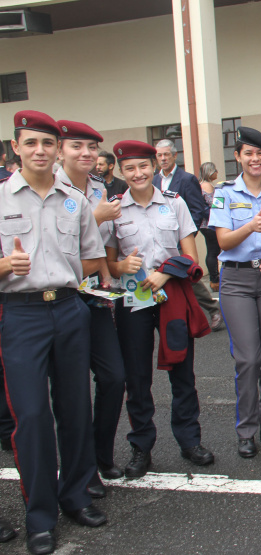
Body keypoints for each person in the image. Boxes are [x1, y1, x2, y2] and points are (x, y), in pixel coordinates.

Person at [0, 110, 108, 555]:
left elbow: (91, 258)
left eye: (47, 143)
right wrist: (5, 265)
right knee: (32, 417)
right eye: (31, 143)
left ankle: (76, 496)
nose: (40, 151)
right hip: (20, 314)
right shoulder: (1, 199)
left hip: (67, 308)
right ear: (16, 148)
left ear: (56, 149)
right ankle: (40, 516)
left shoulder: (74, 200)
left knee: (75, 407)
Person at [106, 140, 215, 478]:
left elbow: (191, 256)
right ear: (121, 171)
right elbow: (107, 263)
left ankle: (190, 441)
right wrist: (120, 267)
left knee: (182, 372)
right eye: (129, 168)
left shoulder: (174, 203)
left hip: (172, 294)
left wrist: (164, 273)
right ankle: (141, 446)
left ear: (155, 166)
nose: (137, 173)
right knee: (137, 376)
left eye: (143, 166)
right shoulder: (114, 209)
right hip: (134, 298)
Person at [209, 128, 261, 458]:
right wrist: (249, 227)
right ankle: (246, 430)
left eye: (260, 154)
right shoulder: (225, 194)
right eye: (248, 154)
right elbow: (223, 241)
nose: (255, 159)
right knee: (248, 358)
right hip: (237, 280)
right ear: (238, 157)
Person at [55, 120, 127, 497]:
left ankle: (101, 454)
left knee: (113, 377)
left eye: (91, 148)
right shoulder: (51, 188)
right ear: (60, 151)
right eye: (76, 146)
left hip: (95, 293)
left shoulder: (100, 188)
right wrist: (96, 216)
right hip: (61, 294)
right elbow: (58, 244)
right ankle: (82, 468)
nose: (85, 154)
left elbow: (103, 244)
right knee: (72, 391)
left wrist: (108, 276)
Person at [152, 140, 223, 330]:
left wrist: (186, 236)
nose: (163, 158)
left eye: (167, 154)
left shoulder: (186, 179)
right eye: (159, 155)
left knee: (185, 272)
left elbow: (197, 209)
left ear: (175, 156)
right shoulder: (154, 180)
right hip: (159, 238)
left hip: (180, 238)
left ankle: (212, 308)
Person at [198, 161, 222, 292]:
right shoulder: (206, 186)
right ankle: (215, 280)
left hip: (204, 225)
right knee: (213, 251)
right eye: (215, 170)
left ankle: (214, 279)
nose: (217, 172)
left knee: (212, 250)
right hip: (210, 224)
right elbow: (212, 205)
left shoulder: (201, 185)